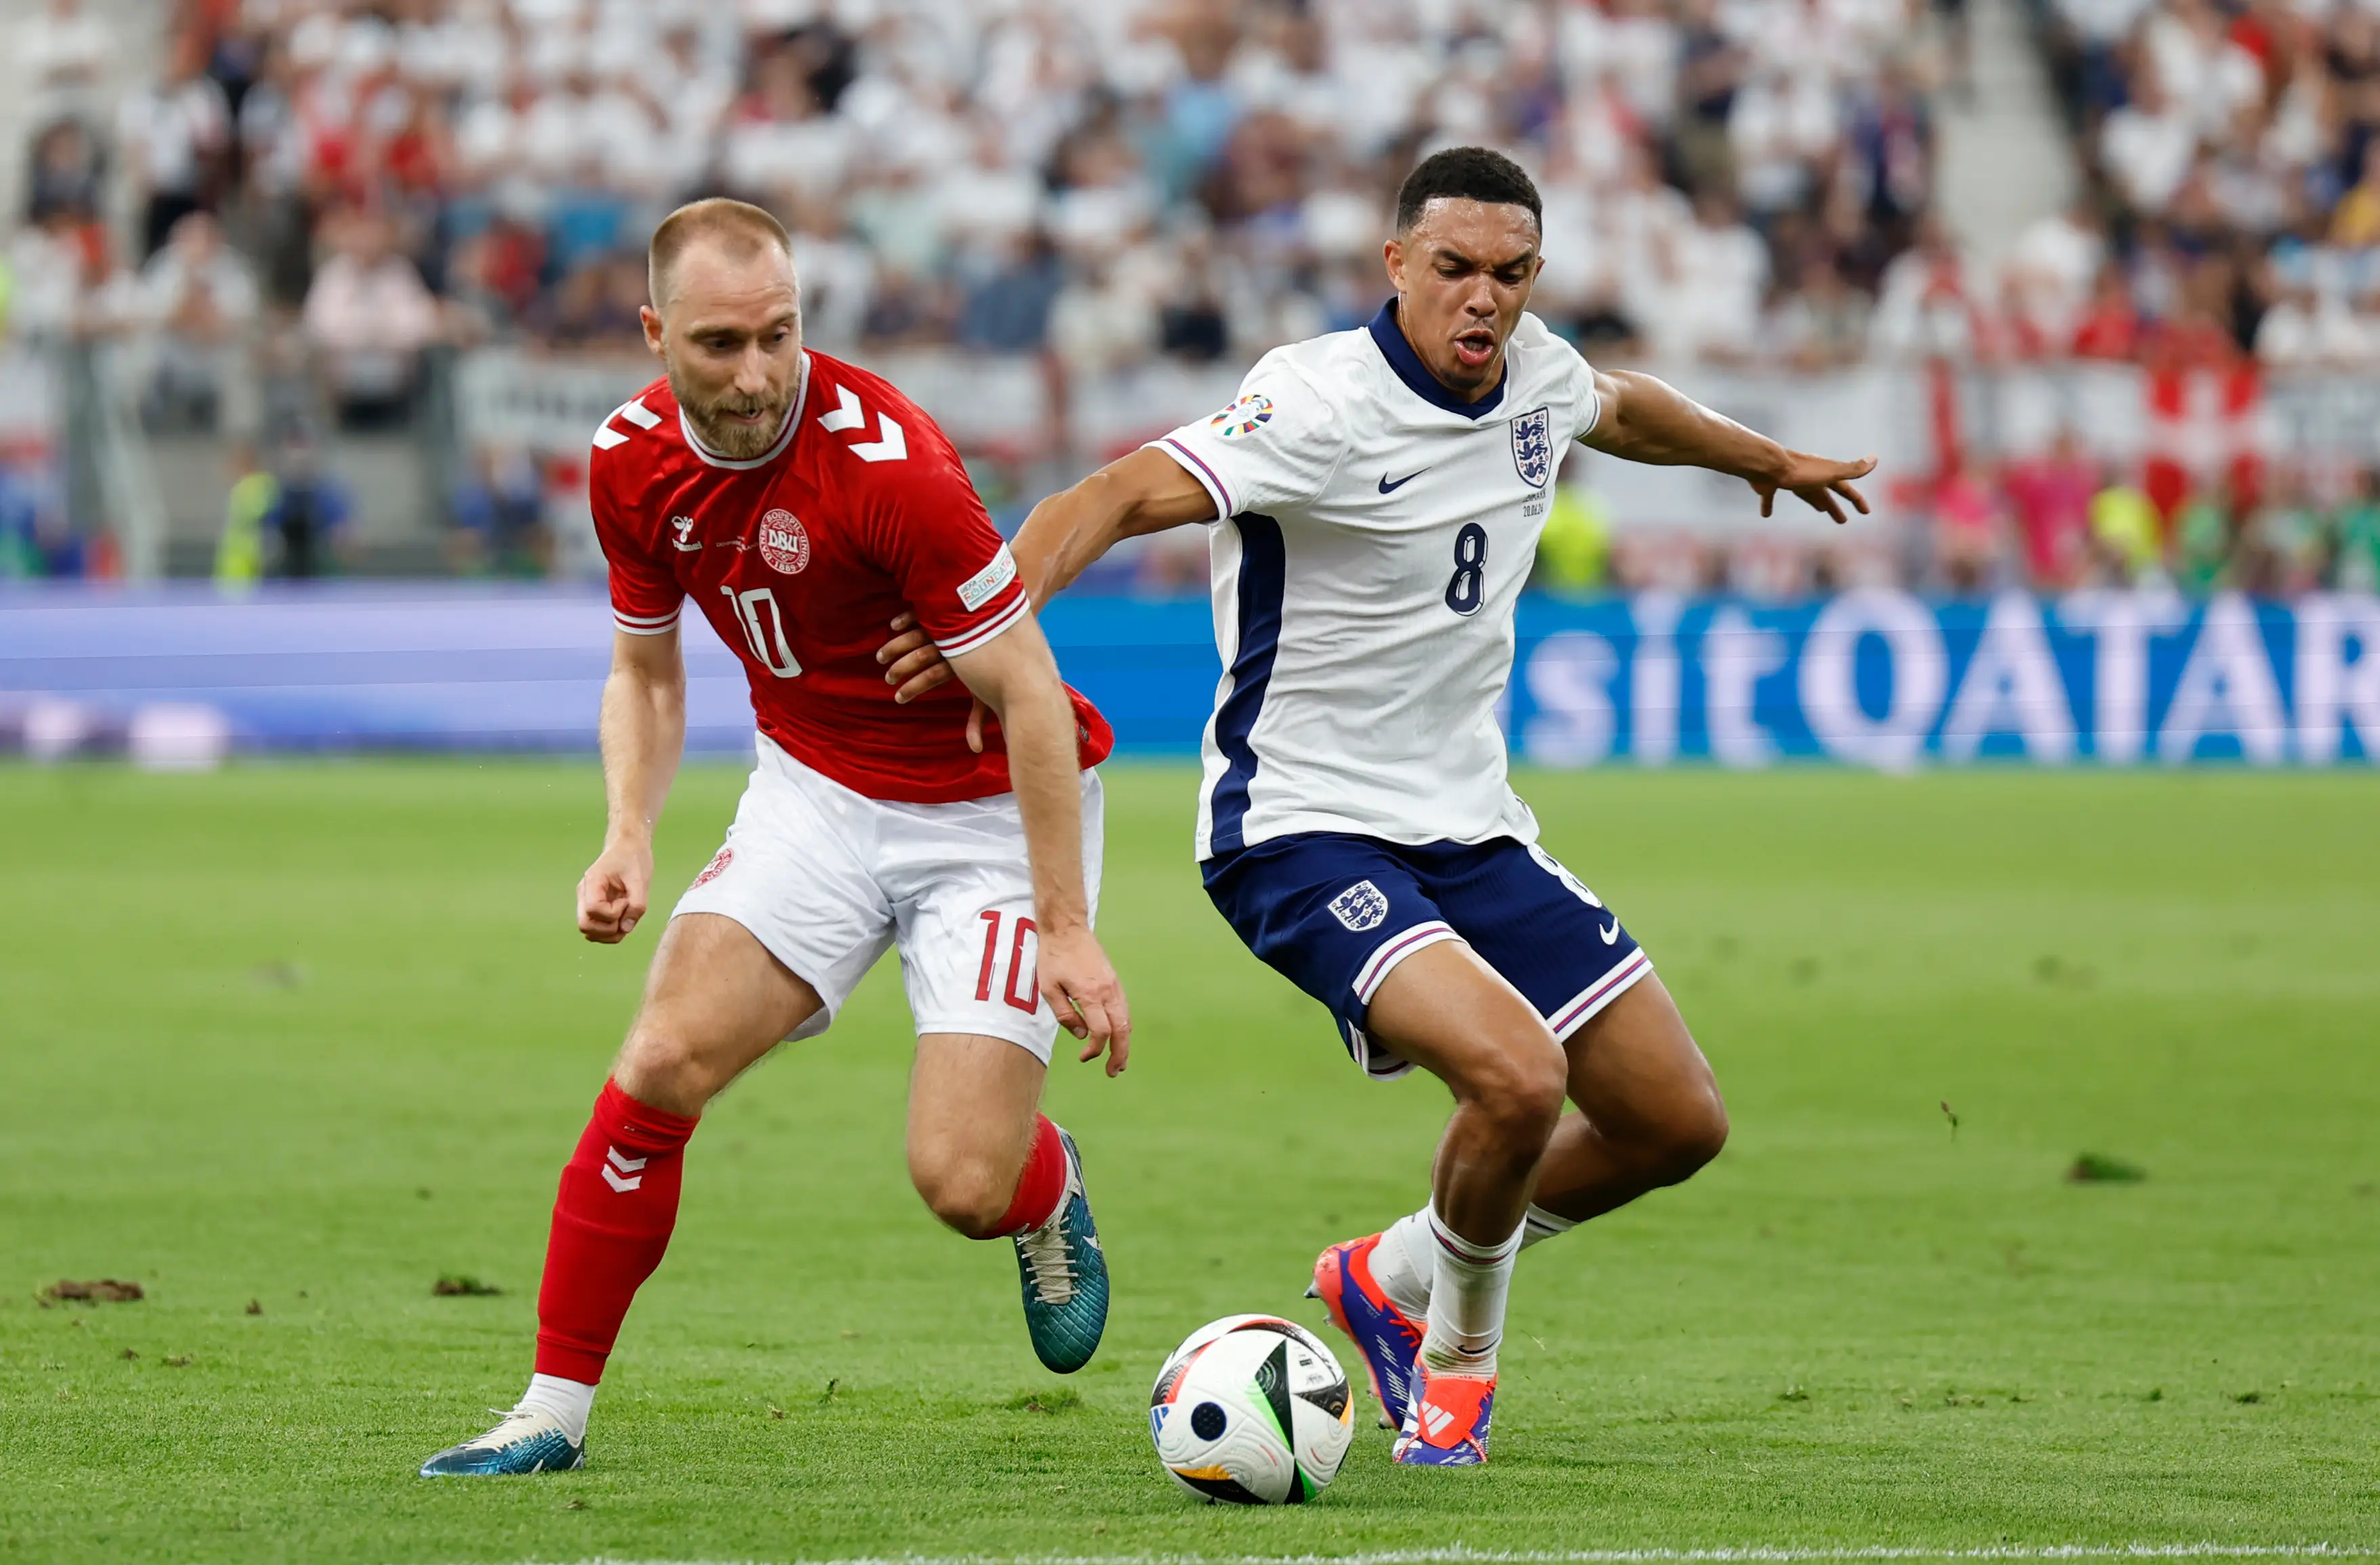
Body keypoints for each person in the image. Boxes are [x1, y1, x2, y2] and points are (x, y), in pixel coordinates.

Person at [886, 147, 1874, 1468]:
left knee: (1671, 1120)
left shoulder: (1534, 375)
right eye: (1455, 269)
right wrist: (991, 618)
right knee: (1516, 1077)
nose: (1484, 300)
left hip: (1469, 827)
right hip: (1295, 831)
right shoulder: (1314, 403)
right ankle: (1454, 1366)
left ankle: (1389, 1270)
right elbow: (1113, 494)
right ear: (1395, 263)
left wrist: (1764, 458)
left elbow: (1622, 410)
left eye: (1510, 275)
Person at [418, 198, 1129, 1477]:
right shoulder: (628, 458)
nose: (756, 376)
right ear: (652, 334)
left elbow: (1028, 691)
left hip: (979, 820)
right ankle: (549, 1410)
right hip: (814, 793)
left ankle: (1045, 1183)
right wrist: (628, 832)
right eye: (719, 345)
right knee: (659, 1059)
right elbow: (644, 672)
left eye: (779, 337)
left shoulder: (890, 465)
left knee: (963, 1180)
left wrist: (1067, 928)